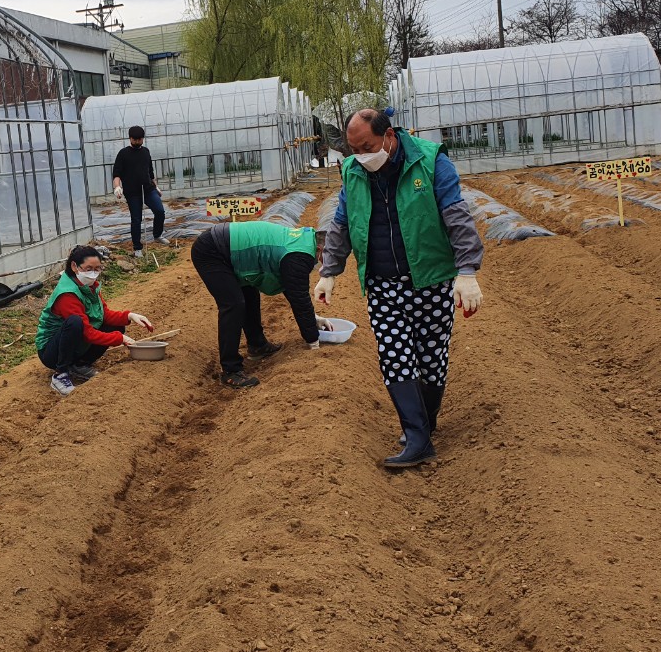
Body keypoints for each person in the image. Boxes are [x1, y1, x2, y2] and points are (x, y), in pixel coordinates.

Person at [314, 108, 485, 470]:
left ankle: (425, 426)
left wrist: (467, 270)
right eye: (354, 149)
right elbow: (343, 221)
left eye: (367, 146)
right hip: (381, 282)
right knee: (394, 356)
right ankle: (417, 436)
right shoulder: (353, 170)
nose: (362, 155)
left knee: (430, 359)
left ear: (389, 135)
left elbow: (456, 215)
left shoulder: (430, 161)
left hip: (431, 278)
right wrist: (329, 271)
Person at [190, 220, 334, 389]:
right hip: (212, 250)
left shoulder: (303, 240)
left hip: (228, 250)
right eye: (331, 256)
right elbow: (298, 297)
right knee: (233, 304)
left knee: (249, 293)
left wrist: (313, 318)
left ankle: (257, 346)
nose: (330, 262)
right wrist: (313, 340)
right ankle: (230, 371)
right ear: (320, 249)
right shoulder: (299, 255)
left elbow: (292, 288)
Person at [36, 245, 155, 397]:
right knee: (74, 322)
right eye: (88, 268)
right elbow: (87, 333)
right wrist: (120, 338)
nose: (93, 273)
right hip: (51, 350)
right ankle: (61, 374)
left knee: (116, 326)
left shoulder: (89, 286)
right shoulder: (67, 294)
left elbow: (103, 314)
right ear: (74, 266)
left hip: (74, 341)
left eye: (97, 268)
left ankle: (79, 365)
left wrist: (129, 316)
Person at [111, 125, 166, 259]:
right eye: (134, 139)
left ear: (143, 139)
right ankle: (137, 248)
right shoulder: (123, 154)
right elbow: (116, 174)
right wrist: (117, 187)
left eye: (139, 139)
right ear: (130, 139)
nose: (136, 142)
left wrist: (156, 186)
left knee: (160, 211)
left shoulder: (146, 152)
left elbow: (150, 172)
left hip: (148, 189)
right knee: (136, 219)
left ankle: (157, 235)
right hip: (132, 192)